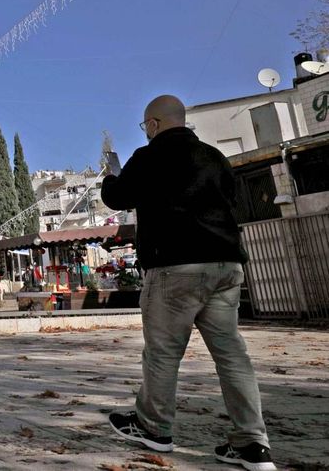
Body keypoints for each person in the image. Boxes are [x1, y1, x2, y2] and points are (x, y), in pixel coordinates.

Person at [101, 95, 276, 471]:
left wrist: (110, 175)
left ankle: (153, 427)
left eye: (146, 126)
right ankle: (252, 444)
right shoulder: (215, 157)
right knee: (232, 355)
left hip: (175, 267)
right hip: (226, 265)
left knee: (163, 353)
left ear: (154, 124)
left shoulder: (149, 156)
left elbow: (116, 197)